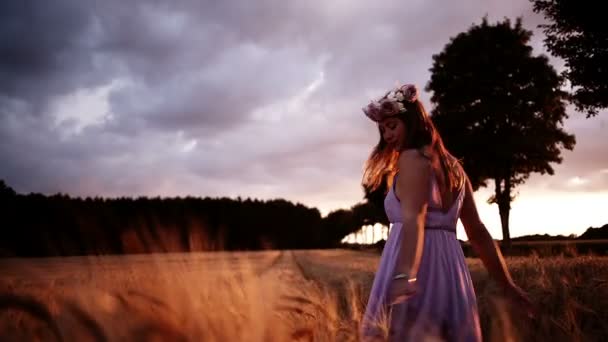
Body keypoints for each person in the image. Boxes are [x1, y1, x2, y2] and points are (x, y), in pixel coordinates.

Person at [358, 83, 535, 341]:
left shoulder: (411, 158)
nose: (386, 135)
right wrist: (506, 284)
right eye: (383, 129)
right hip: (451, 273)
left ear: (413, 122)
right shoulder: (455, 169)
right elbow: (477, 232)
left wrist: (405, 274)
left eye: (392, 126)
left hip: (415, 269)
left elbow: (414, 220)